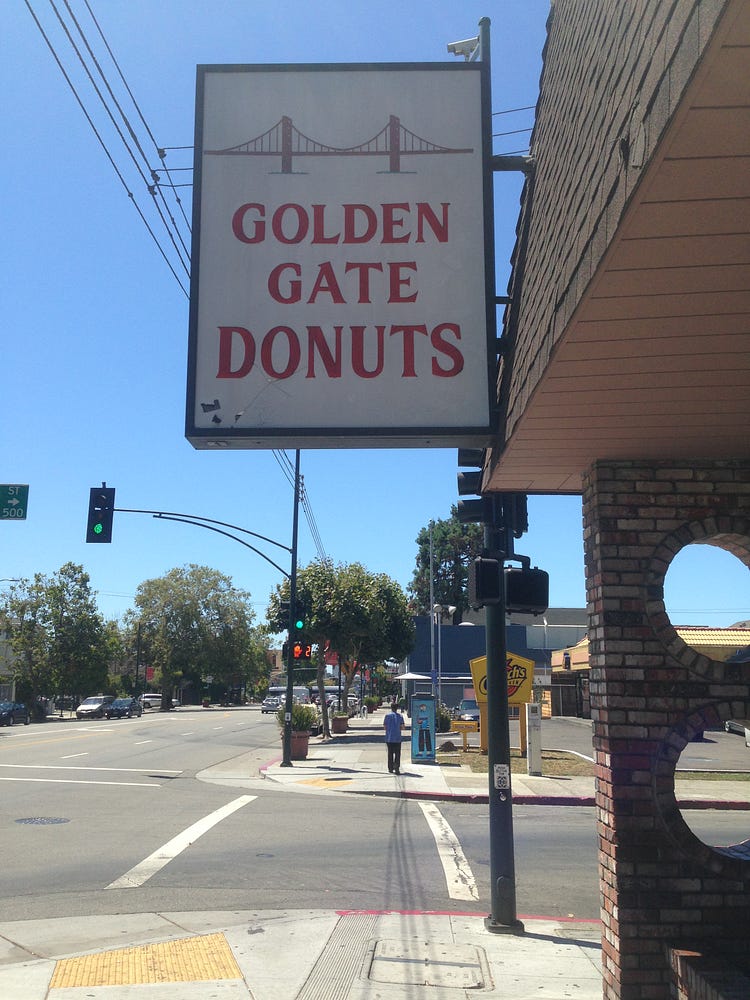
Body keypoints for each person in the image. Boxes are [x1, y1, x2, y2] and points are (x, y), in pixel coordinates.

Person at [383, 702, 404, 775]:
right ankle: (397, 767)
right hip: (397, 738)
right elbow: (402, 727)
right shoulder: (400, 716)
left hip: (389, 738)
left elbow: (385, 727)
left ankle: (390, 768)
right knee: (397, 754)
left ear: (391, 708)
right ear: (397, 708)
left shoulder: (387, 716)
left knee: (390, 753)